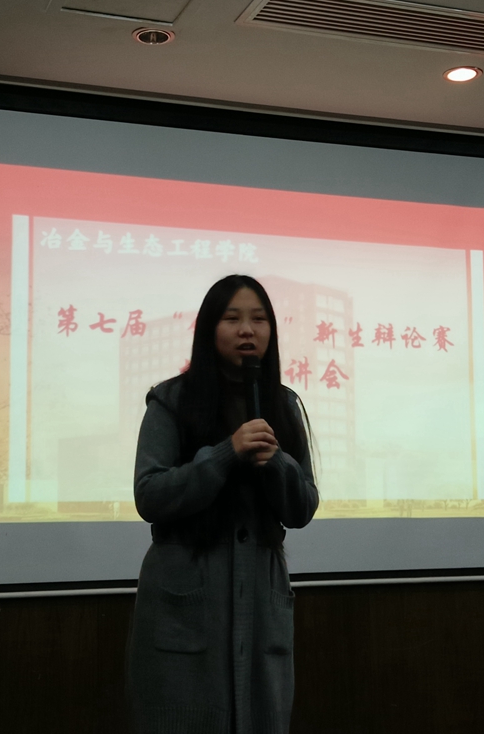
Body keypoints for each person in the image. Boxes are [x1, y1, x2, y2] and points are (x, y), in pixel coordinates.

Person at [127, 275, 319, 734]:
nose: (247, 330)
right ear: (209, 329)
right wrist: (225, 453)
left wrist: (277, 462)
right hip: (187, 601)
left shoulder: (284, 405)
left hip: (260, 601)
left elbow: (302, 508)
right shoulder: (171, 401)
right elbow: (150, 494)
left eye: (259, 319)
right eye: (232, 318)